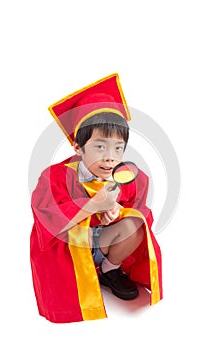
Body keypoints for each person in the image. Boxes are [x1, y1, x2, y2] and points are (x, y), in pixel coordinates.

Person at [30, 73, 162, 323]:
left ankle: (109, 271)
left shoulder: (131, 176)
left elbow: (142, 214)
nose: (110, 156)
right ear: (79, 148)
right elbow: (46, 223)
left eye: (118, 147)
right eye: (100, 146)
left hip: (105, 244)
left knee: (135, 222)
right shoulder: (55, 177)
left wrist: (116, 212)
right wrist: (92, 206)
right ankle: (87, 274)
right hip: (69, 251)